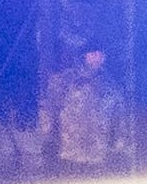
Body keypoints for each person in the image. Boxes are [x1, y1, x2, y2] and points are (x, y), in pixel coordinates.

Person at [45, 41, 121, 173]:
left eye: (100, 54)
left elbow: (117, 113)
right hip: (69, 152)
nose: (97, 57)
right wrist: (50, 135)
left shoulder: (109, 83)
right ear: (84, 56)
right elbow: (51, 109)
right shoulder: (65, 79)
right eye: (92, 54)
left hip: (97, 153)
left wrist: (117, 141)